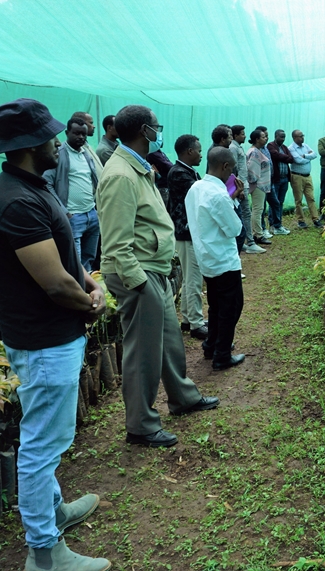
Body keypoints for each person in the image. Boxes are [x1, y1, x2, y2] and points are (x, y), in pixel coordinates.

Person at [0, 98, 109, 571]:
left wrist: (89, 281)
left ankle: (53, 511)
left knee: (47, 439)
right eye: (51, 136)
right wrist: (89, 304)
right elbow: (54, 282)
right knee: (40, 446)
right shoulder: (16, 202)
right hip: (44, 343)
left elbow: (66, 257)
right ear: (31, 144)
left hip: (52, 337)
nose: (59, 141)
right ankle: (44, 552)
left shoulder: (32, 186)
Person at [96, 105, 219, 449]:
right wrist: (138, 282)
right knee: (143, 353)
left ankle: (183, 397)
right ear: (144, 131)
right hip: (137, 272)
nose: (159, 132)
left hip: (152, 268)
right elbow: (116, 242)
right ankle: (140, 425)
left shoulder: (137, 166)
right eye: (156, 127)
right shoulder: (120, 175)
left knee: (168, 340)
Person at [186, 147, 247, 371]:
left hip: (206, 258)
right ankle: (222, 355)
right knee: (231, 307)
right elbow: (234, 228)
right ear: (225, 166)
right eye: (231, 170)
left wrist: (231, 198)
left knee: (216, 305)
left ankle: (211, 345)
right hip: (223, 260)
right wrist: (234, 200)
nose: (232, 174)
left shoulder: (196, 188)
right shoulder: (219, 194)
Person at [43, 116, 101, 271]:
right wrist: (64, 211)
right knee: (74, 262)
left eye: (83, 134)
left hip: (91, 214)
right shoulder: (59, 154)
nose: (81, 137)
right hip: (73, 217)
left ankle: (87, 285)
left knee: (89, 258)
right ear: (67, 133)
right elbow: (47, 183)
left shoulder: (85, 154)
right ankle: (78, 285)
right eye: (76, 133)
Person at [166, 134, 207, 340]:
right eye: (199, 151)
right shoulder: (180, 174)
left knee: (190, 277)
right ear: (189, 151)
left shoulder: (186, 171)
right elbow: (201, 197)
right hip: (185, 232)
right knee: (194, 279)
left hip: (187, 232)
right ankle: (196, 323)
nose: (201, 155)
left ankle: (188, 319)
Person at [228, 125, 264, 254]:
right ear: (236, 135)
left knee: (243, 213)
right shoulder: (233, 148)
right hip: (240, 187)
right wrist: (240, 188)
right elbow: (233, 170)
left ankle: (243, 241)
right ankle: (250, 242)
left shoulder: (238, 147)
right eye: (242, 134)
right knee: (245, 213)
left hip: (243, 185)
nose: (245, 136)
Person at [288, 129, 322, 228]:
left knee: (311, 198)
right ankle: (301, 221)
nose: (303, 138)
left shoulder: (305, 146)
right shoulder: (291, 148)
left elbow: (315, 155)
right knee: (298, 200)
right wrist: (309, 158)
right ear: (295, 138)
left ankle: (315, 219)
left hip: (307, 176)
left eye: (303, 135)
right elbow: (298, 160)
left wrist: (305, 156)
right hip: (297, 176)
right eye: (300, 136)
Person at [246, 129, 274, 243]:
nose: (266, 138)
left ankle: (257, 233)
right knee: (258, 210)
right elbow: (252, 170)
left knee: (258, 209)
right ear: (257, 139)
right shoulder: (255, 152)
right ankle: (258, 235)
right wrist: (255, 182)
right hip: (258, 186)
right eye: (263, 137)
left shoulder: (257, 150)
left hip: (260, 185)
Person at [267, 129, 294, 235]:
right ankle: (273, 225)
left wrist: (283, 157)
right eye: (281, 137)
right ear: (276, 136)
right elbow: (275, 155)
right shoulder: (271, 146)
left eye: (284, 137)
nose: (283, 139)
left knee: (280, 202)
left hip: (285, 179)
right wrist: (284, 157)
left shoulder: (284, 148)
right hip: (276, 179)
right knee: (274, 202)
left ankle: (278, 224)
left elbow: (291, 159)